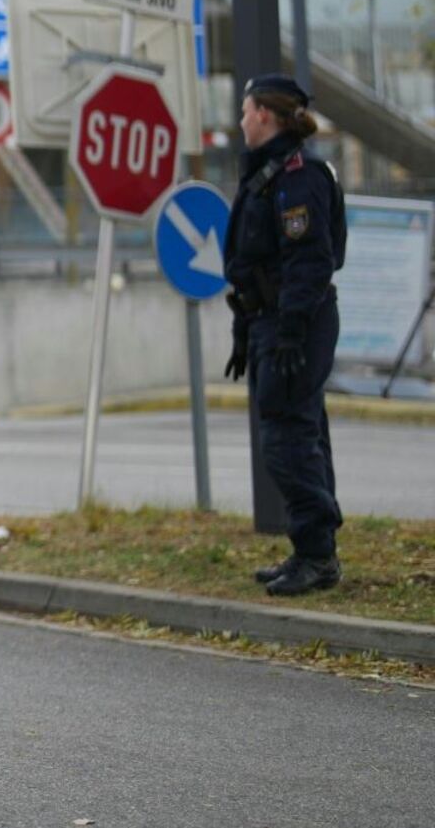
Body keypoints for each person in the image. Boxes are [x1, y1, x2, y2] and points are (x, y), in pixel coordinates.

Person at [222, 73, 347, 597]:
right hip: (273, 322)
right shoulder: (269, 175)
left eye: (247, 110)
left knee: (287, 438)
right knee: (301, 434)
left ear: (266, 117)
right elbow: (257, 260)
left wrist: (292, 329)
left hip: (297, 323)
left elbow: (310, 261)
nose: (242, 119)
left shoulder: (299, 176)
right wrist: (245, 328)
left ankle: (316, 554)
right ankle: (314, 550)